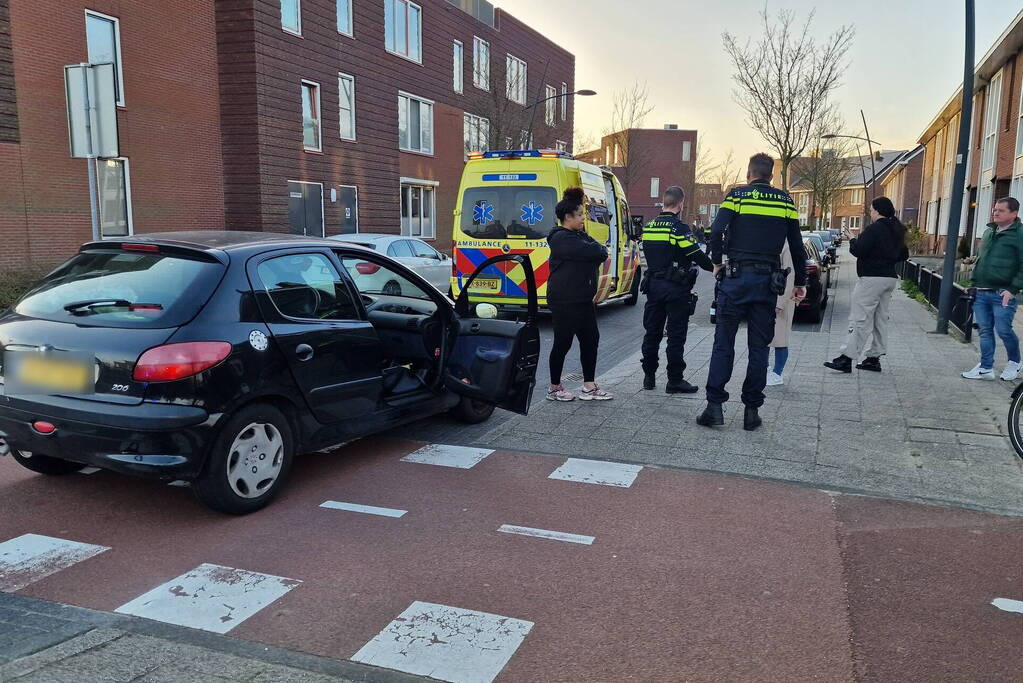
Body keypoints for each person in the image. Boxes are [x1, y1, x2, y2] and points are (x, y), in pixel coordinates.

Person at [698, 153, 807, 431]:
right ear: (771, 176)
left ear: (749, 174)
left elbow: (716, 231)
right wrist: (800, 283)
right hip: (767, 282)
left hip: (735, 279)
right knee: (759, 348)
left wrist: (717, 263)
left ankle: (714, 408)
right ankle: (751, 411)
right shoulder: (786, 201)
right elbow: (797, 247)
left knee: (724, 344)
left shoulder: (737, 196)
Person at [640, 186, 714, 392]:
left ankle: (649, 377)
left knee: (652, 332)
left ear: (664, 202)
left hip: (653, 286)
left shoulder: (650, 226)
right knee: (676, 334)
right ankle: (674, 380)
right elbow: (695, 254)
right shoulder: (678, 228)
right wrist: (715, 268)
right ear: (681, 204)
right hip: (675, 288)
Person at [824, 197, 909, 374]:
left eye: (871, 210)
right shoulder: (897, 229)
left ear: (878, 211)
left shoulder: (875, 229)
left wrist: (853, 239)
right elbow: (904, 254)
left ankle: (846, 358)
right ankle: (873, 358)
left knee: (860, 317)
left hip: (871, 279)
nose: (870, 213)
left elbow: (858, 250)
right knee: (880, 318)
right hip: (889, 279)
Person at [545, 187, 613, 401]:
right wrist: (596, 252)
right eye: (581, 215)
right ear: (568, 217)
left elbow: (599, 251)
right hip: (565, 300)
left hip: (583, 299)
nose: (584, 218)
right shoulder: (561, 239)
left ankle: (589, 386)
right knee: (562, 343)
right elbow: (596, 251)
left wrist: (596, 251)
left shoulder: (578, 236)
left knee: (591, 339)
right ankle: (554, 387)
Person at [961, 197, 1023, 381]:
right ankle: (986, 368)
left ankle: (1015, 362)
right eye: (995, 209)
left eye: (1001, 210)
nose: (995, 213)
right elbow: (982, 260)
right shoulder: (989, 232)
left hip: (1002, 293)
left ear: (1014, 213)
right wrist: (972, 284)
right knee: (985, 330)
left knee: (1004, 330)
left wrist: (1012, 289)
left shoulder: (1019, 235)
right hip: (981, 291)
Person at [767, 246, 796, 386]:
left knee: (780, 340)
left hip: (780, 297)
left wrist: (780, 302)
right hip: (766, 298)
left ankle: (777, 373)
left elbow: (790, 275)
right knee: (763, 338)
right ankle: (764, 369)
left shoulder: (787, 246)